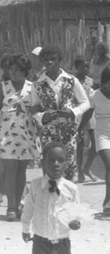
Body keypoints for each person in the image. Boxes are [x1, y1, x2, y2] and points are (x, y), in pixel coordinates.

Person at [0, 54, 39, 221]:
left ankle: (18, 204)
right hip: (6, 133)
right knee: (9, 168)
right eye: (11, 70)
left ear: (25, 71)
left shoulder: (33, 87)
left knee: (21, 169)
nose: (13, 73)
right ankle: (10, 206)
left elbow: (38, 109)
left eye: (17, 70)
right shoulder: (2, 87)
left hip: (26, 132)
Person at [30, 45, 90, 181]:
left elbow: (85, 102)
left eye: (53, 59)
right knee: (50, 169)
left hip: (68, 132)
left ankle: (68, 201)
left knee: (68, 167)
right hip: (48, 133)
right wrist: (42, 116)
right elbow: (34, 107)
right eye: (46, 60)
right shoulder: (38, 84)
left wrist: (73, 112)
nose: (49, 62)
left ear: (60, 60)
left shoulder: (71, 80)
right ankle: (50, 200)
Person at [21, 142, 81, 254]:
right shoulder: (36, 185)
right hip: (40, 243)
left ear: (67, 164)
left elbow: (76, 212)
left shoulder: (71, 189)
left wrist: (76, 222)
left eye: (60, 160)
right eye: (51, 160)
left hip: (63, 244)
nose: (56, 164)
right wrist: (25, 228)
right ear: (43, 163)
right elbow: (28, 209)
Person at [87, 67, 110, 214]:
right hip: (102, 135)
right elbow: (87, 114)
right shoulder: (94, 95)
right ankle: (107, 201)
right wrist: (78, 129)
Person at [73, 56, 98, 183]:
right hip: (78, 114)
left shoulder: (90, 81)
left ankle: (87, 167)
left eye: (88, 66)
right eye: (84, 66)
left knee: (96, 143)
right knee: (80, 145)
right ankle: (80, 172)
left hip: (90, 114)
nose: (86, 69)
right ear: (77, 67)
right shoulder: (72, 81)